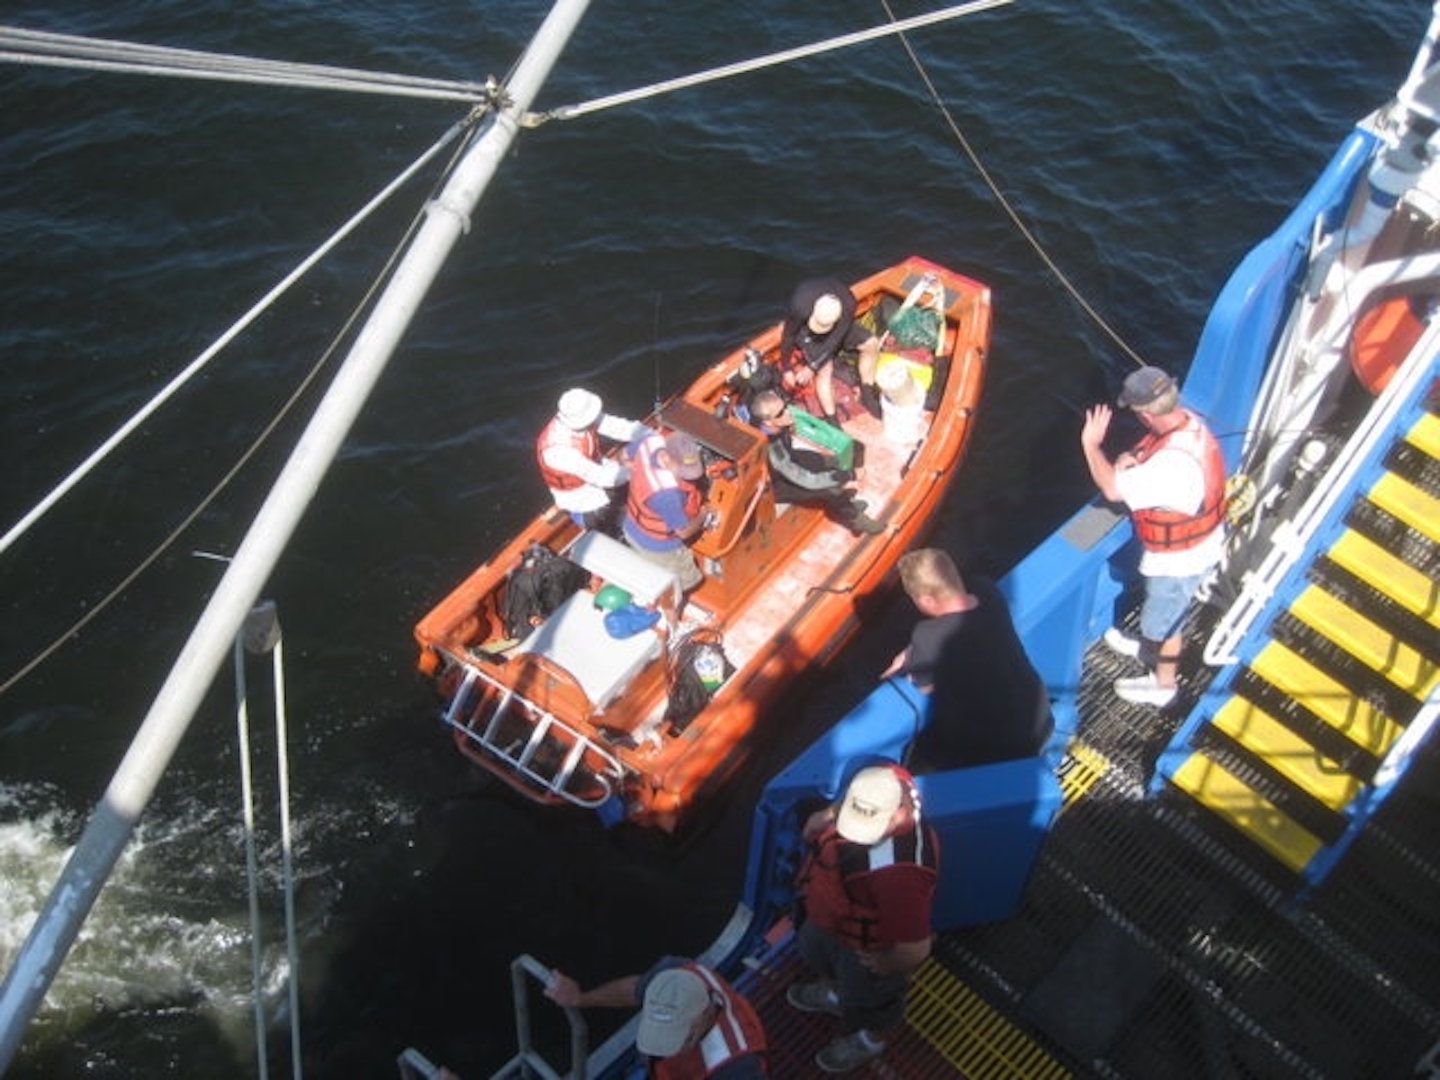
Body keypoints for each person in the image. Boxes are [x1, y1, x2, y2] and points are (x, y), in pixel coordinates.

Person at [1079, 365, 1227, 707]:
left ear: (1145, 413)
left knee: (1168, 623)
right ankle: (1148, 645)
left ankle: (1164, 685)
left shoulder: (1172, 468)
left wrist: (1091, 445)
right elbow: (1149, 451)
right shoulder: (1187, 423)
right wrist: (1130, 457)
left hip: (1180, 562)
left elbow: (1113, 489)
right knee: (1159, 614)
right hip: (1198, 545)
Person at [788, 763, 938, 1073]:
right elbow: (863, 796)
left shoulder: (900, 879)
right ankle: (833, 993)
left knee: (870, 1000)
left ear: (898, 815)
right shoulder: (887, 779)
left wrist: (883, 964)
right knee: (815, 951)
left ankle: (870, 1040)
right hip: (827, 914)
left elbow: (915, 949)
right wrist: (830, 813)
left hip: (865, 949)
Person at [883, 548, 1053, 769]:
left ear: (926, 600)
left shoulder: (926, 635)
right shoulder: (987, 591)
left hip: (993, 751)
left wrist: (911, 655)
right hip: (1039, 719)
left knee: (922, 751)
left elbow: (925, 687)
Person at [545, 957, 767, 1078]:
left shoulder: (737, 1068)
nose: (663, 1049)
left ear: (706, 1016)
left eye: (681, 1039)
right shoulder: (678, 974)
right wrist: (581, 998)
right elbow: (634, 989)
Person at [747, 390, 883, 536]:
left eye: (786, 405)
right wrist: (848, 475)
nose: (788, 412)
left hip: (790, 457)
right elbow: (805, 479)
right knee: (831, 488)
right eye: (781, 413)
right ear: (768, 422)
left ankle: (845, 502)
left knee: (833, 460)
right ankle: (858, 521)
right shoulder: (772, 449)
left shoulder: (776, 426)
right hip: (779, 485)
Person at [536, 388, 649, 533]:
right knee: (637, 524)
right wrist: (637, 470)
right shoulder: (557, 452)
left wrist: (648, 434)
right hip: (586, 501)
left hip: (605, 472)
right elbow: (602, 478)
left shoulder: (583, 421)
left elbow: (616, 426)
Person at [777, 277, 881, 425]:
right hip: (806, 331)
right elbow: (789, 335)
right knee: (825, 370)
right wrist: (786, 367)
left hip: (837, 328)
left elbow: (835, 339)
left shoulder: (848, 304)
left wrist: (812, 366)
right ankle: (832, 420)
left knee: (872, 344)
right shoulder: (800, 305)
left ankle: (867, 391)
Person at [622, 429, 710, 592]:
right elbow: (683, 532)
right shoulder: (667, 495)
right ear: (666, 457)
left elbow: (625, 456)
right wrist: (703, 514)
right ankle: (675, 606)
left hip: (632, 525)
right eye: (683, 471)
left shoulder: (650, 442)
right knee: (677, 585)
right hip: (658, 545)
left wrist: (640, 474)